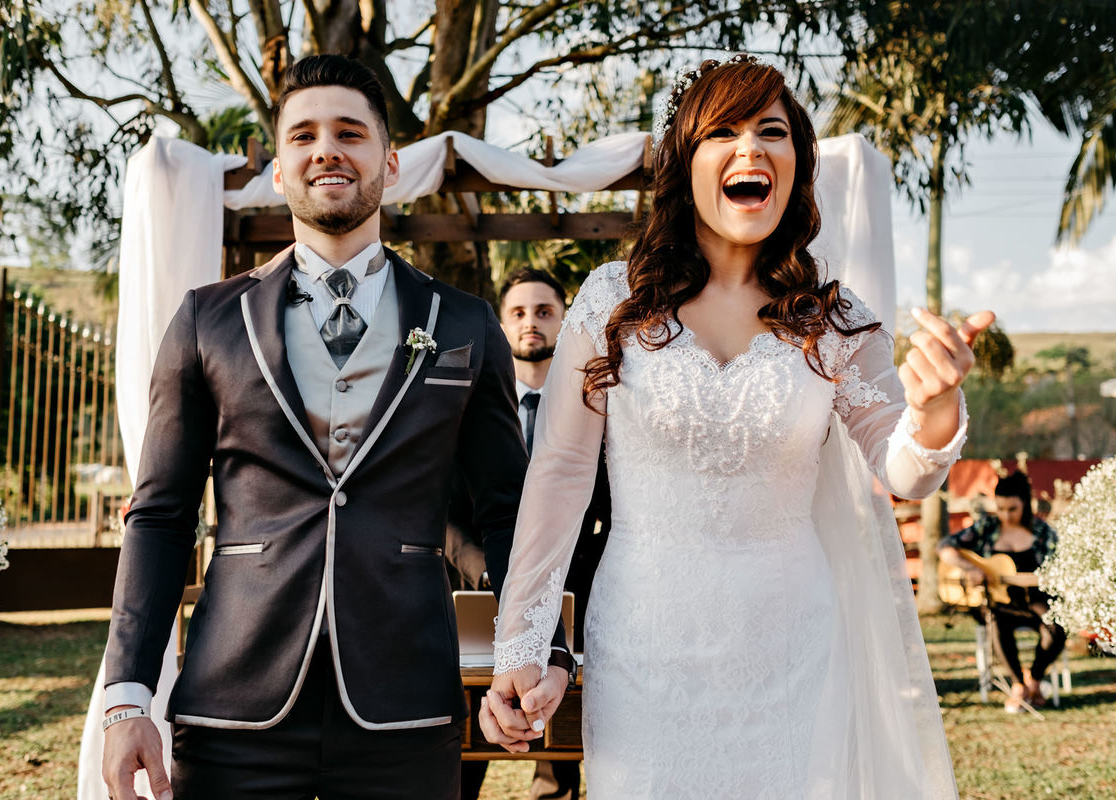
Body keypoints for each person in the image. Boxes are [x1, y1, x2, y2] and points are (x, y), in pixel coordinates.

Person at [479, 55, 994, 798]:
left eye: (772, 132)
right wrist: (521, 645)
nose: (751, 149)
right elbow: (558, 474)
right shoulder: (609, 304)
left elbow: (905, 471)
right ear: (686, 163)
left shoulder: (834, 318)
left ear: (796, 164)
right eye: (723, 131)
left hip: (796, 651)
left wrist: (936, 409)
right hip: (643, 646)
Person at [100, 54, 528, 800]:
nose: (325, 149)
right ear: (278, 171)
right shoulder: (208, 320)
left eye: (349, 133)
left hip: (407, 706)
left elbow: (509, 511)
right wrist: (127, 696)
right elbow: (161, 518)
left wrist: (529, 651)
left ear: (390, 164)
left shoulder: (463, 323)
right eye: (302, 136)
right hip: (235, 706)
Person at [448, 268, 610, 800]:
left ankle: (555, 788)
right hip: (477, 601)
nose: (531, 323)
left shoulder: (598, 408)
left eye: (544, 312)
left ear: (565, 324)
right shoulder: (467, 409)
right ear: (500, 324)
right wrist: (487, 568)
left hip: (576, 607)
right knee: (462, 762)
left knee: (561, 755)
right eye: (518, 312)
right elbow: (442, 512)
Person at [938, 471, 1066, 712]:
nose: (1006, 515)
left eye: (1012, 509)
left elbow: (1059, 568)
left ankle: (1034, 679)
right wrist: (970, 568)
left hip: (1035, 598)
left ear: (1026, 504)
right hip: (996, 601)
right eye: (1001, 508)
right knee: (996, 621)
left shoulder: (1043, 532)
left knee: (1057, 626)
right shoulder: (987, 526)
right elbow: (945, 547)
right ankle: (1018, 685)